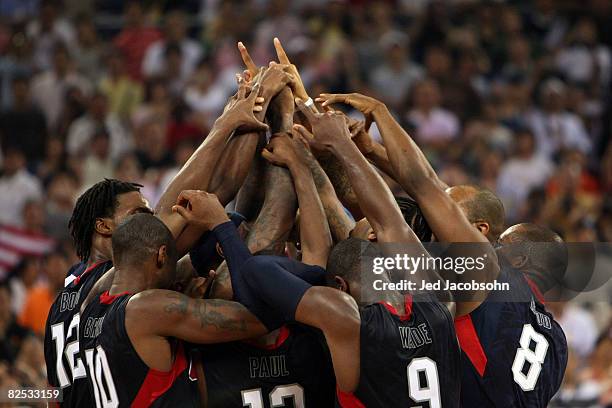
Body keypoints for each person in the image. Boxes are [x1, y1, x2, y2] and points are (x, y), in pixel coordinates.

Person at [317, 91, 568, 407]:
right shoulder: (557, 341)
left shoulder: (494, 277)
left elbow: (428, 187)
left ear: (518, 257)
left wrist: (381, 113)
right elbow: (429, 198)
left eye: (500, 244)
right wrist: (371, 151)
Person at [44, 71, 272, 407]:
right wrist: (238, 117)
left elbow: (53, 395)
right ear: (105, 227)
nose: (152, 222)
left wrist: (248, 110)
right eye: (139, 215)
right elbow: (210, 193)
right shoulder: (122, 281)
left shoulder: (60, 305)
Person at [78, 201, 266, 407]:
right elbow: (256, 317)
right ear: (161, 255)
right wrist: (222, 225)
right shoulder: (149, 308)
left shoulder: (90, 309)